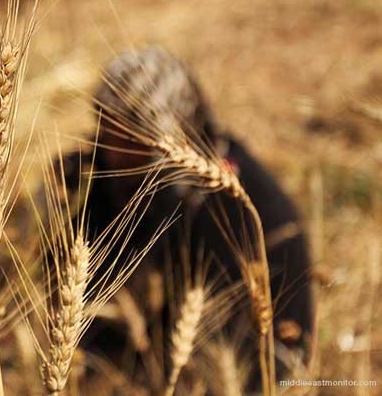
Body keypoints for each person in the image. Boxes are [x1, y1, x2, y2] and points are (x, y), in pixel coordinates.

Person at [52, 46, 314, 388]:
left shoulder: (231, 207)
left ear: (170, 133)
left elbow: (216, 343)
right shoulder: (114, 172)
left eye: (129, 134)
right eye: (105, 124)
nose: (111, 148)